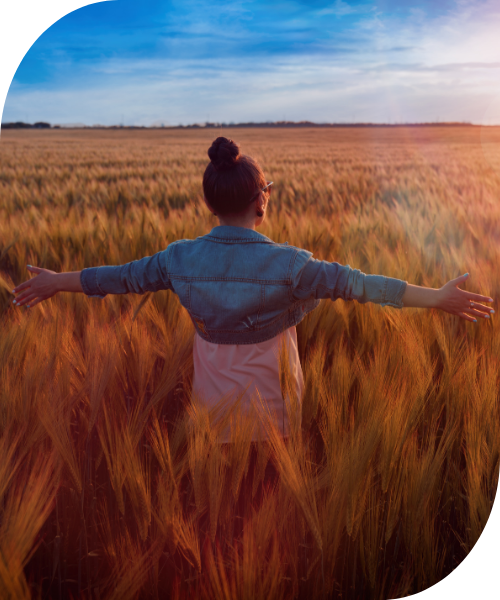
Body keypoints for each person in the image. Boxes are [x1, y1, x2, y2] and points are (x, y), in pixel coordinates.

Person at [10, 136, 495, 529]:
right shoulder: (289, 264)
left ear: (211, 203)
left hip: (212, 409)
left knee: (221, 514)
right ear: (261, 201)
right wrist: (435, 296)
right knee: (270, 507)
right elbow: (360, 285)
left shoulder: (180, 258)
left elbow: (117, 278)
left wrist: (57, 283)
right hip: (275, 408)